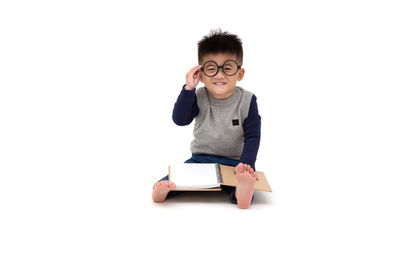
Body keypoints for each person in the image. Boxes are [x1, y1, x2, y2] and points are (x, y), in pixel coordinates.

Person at [152, 29, 261, 209]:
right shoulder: (198, 96)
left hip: (235, 162)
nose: (219, 75)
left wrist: (246, 164)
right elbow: (180, 120)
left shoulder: (248, 100)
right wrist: (188, 88)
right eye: (211, 68)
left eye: (227, 68)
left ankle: (240, 193)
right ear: (201, 75)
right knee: (176, 178)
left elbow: (253, 136)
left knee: (244, 180)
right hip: (200, 159)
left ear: (239, 74)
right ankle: (164, 191)